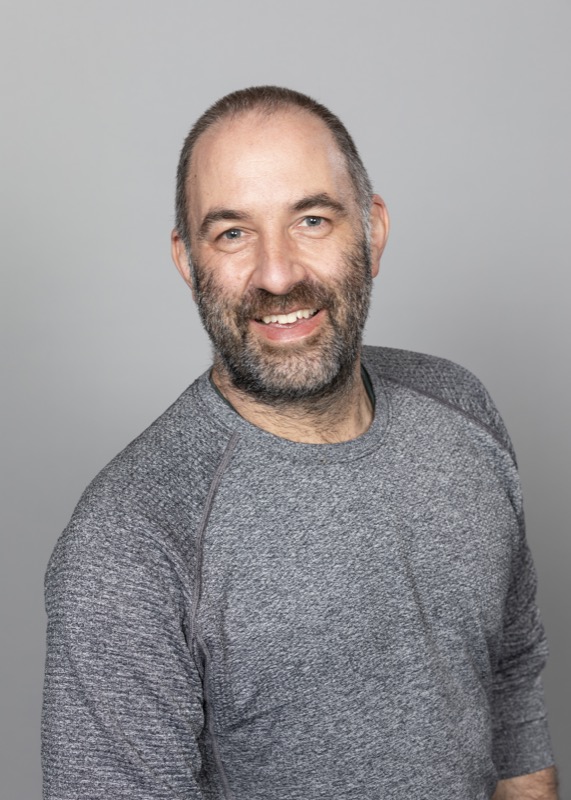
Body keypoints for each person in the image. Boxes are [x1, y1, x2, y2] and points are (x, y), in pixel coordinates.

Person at [42, 86, 558, 799]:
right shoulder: (128, 540)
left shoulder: (459, 407)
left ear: (372, 233)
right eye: (231, 234)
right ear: (188, 262)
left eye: (311, 219)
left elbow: (510, 676)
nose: (277, 274)